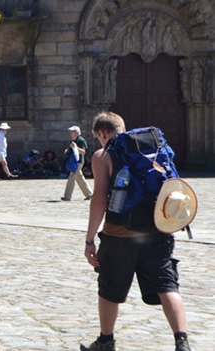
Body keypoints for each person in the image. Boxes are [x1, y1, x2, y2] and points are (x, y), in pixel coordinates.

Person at [81, 111, 192, 351]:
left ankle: (106, 341)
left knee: (110, 288)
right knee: (167, 285)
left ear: (102, 133)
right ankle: (182, 341)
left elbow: (99, 199)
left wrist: (90, 240)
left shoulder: (103, 155)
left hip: (119, 234)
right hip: (158, 231)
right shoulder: (154, 150)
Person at [61, 125, 93, 201]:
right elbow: (71, 148)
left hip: (78, 162)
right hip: (74, 161)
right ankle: (89, 194)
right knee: (80, 178)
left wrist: (76, 147)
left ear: (76, 132)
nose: (70, 132)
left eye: (72, 131)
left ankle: (67, 196)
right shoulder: (73, 140)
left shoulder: (81, 140)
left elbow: (83, 152)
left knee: (72, 177)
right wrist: (67, 150)